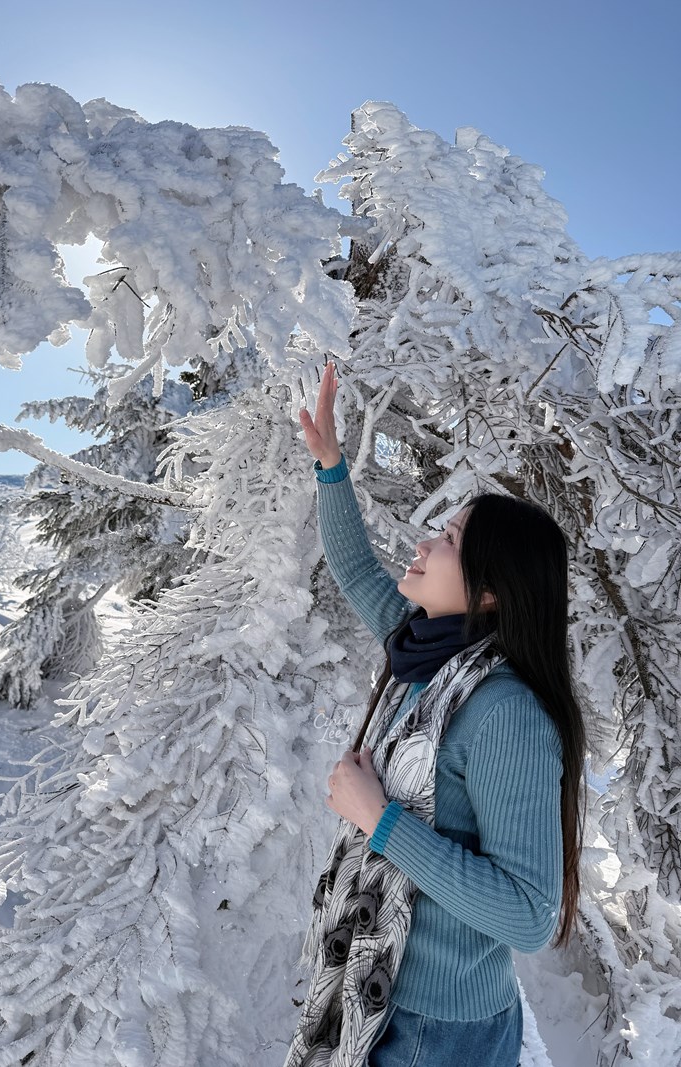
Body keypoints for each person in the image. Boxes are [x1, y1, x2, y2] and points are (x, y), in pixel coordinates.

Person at [285, 361, 587, 1067]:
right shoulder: (427, 656)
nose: (424, 543)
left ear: (490, 591)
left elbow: (528, 914)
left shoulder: (507, 713)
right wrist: (331, 466)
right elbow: (357, 570)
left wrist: (380, 819)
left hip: (436, 1031)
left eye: (448, 540)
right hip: (378, 996)